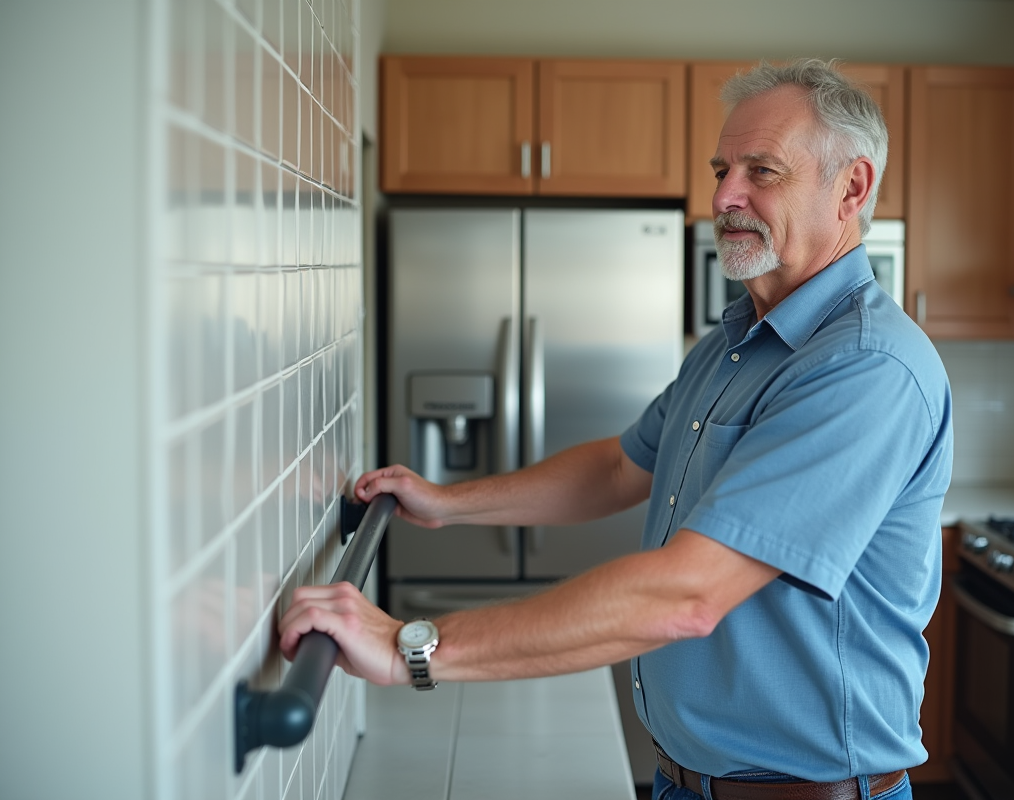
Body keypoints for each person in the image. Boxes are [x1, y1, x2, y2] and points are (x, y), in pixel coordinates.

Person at [280, 58, 952, 800]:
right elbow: (616, 469)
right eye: (722, 168)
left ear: (851, 188)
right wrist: (449, 501)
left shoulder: (865, 369)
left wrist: (413, 647)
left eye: (762, 171)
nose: (725, 195)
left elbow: (688, 596)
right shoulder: (733, 343)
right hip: (679, 781)